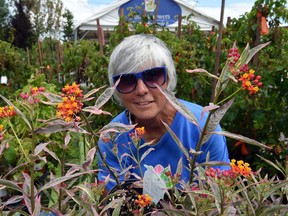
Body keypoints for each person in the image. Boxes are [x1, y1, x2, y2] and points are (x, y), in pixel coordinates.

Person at [97, 34, 230, 192]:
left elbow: (220, 194)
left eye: (153, 76)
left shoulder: (203, 125)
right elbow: (112, 203)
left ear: (168, 78)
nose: (141, 90)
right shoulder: (111, 138)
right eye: (127, 81)